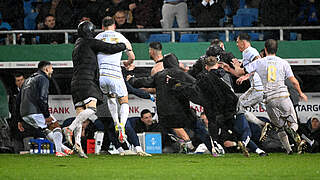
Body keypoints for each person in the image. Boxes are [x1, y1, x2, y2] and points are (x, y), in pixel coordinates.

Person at [168, 56, 267, 157]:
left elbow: (194, 89)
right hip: (234, 106)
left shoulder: (204, 78)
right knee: (244, 131)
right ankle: (248, 144)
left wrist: (177, 84)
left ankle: (258, 150)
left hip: (220, 112)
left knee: (235, 131)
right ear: (217, 64)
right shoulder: (225, 74)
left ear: (206, 66)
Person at [62, 21, 126, 158]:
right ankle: (69, 129)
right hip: (87, 81)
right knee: (91, 109)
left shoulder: (77, 45)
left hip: (75, 83)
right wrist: (123, 45)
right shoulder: (89, 42)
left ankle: (78, 144)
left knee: (81, 114)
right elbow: (110, 48)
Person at [128, 53, 213, 155]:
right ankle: (211, 148)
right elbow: (196, 86)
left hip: (164, 115)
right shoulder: (182, 74)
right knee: (198, 127)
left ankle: (184, 143)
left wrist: (131, 79)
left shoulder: (159, 75)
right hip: (181, 112)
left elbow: (144, 82)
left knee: (166, 129)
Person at [243, 39, 308, 154]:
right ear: (276, 49)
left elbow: (243, 71)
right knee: (293, 123)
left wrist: (232, 69)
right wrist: (301, 93)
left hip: (269, 99)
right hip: (283, 97)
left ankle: (288, 150)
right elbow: (294, 81)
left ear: (265, 49)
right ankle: (291, 130)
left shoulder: (259, 62)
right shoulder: (283, 63)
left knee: (279, 127)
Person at [95, 16, 135, 145]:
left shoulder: (97, 38)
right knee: (124, 100)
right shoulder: (120, 37)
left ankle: (116, 122)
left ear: (102, 27)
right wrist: (127, 63)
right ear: (114, 26)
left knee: (111, 97)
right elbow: (132, 57)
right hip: (115, 74)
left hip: (102, 75)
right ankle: (122, 125)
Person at [19, 61, 72, 157]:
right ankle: (59, 151)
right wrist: (46, 115)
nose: (53, 70)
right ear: (46, 69)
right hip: (36, 111)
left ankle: (66, 149)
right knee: (56, 127)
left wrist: (19, 119)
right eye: (51, 68)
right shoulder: (43, 78)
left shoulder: (27, 80)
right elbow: (42, 98)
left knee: (46, 130)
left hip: (25, 114)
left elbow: (18, 100)